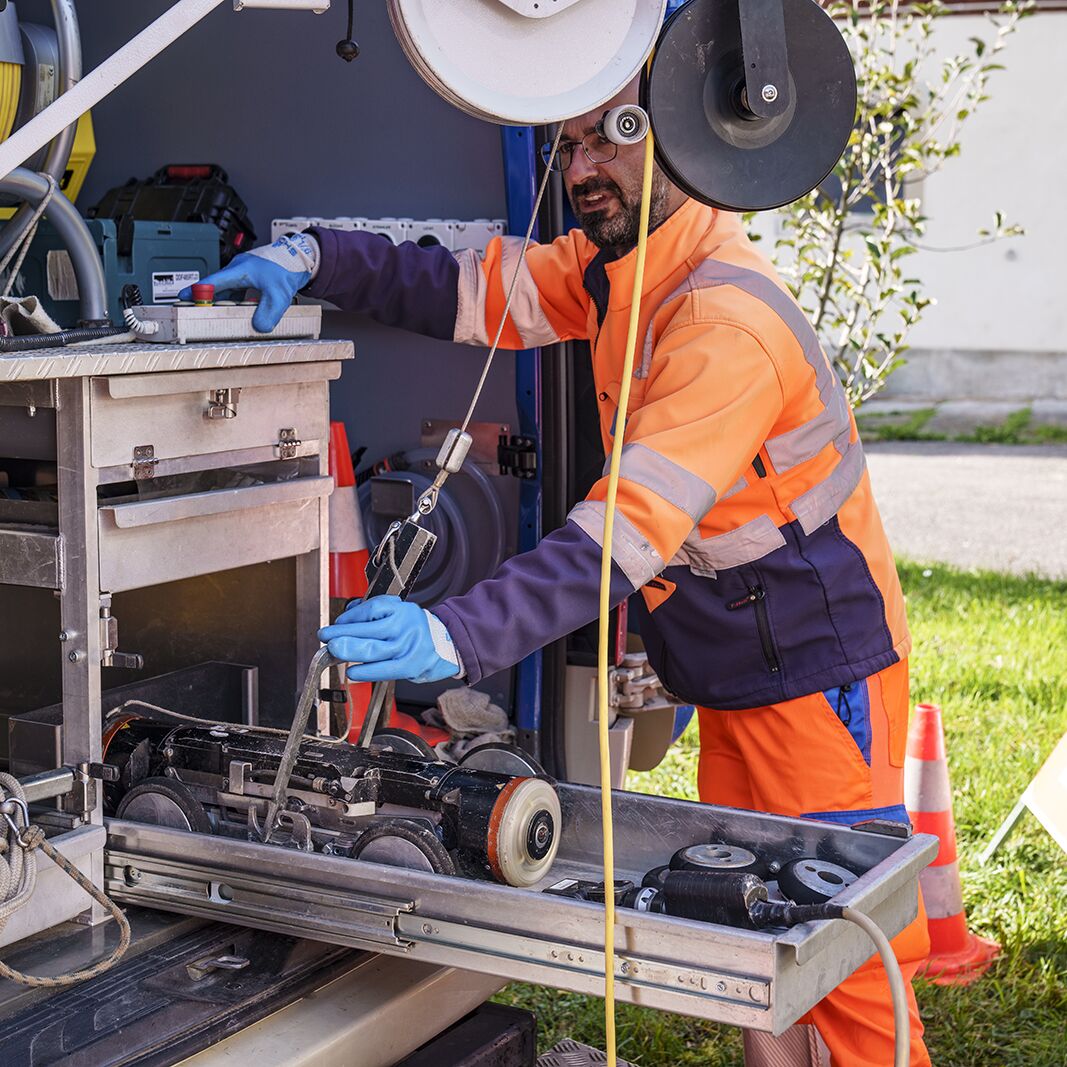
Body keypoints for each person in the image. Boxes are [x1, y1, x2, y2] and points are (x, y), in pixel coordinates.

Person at [188, 78, 931, 1067]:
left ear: (688, 143)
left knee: (841, 952)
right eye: (569, 142)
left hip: (819, 672)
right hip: (745, 664)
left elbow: (617, 537)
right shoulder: (617, 269)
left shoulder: (723, 322)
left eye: (615, 137)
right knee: (756, 937)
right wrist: (313, 255)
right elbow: (465, 291)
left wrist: (457, 634)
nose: (583, 169)